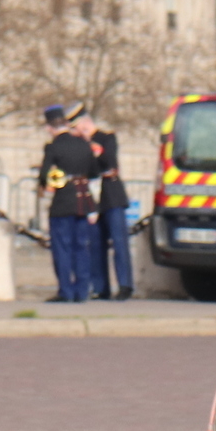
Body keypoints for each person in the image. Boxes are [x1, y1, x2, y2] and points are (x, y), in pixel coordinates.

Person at [35, 103, 101, 304]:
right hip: (83, 201)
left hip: (62, 203)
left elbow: (44, 176)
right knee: (81, 247)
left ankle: (66, 291)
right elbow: (94, 172)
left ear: (49, 127)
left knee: (62, 248)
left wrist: (58, 179)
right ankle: (82, 291)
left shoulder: (53, 147)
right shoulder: (83, 144)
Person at [71, 108, 134, 301]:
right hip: (93, 197)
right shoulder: (79, 144)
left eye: (76, 126)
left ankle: (125, 284)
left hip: (111, 195)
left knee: (119, 241)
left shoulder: (107, 138)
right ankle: (100, 286)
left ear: (85, 123)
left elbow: (110, 162)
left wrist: (92, 145)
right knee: (96, 244)